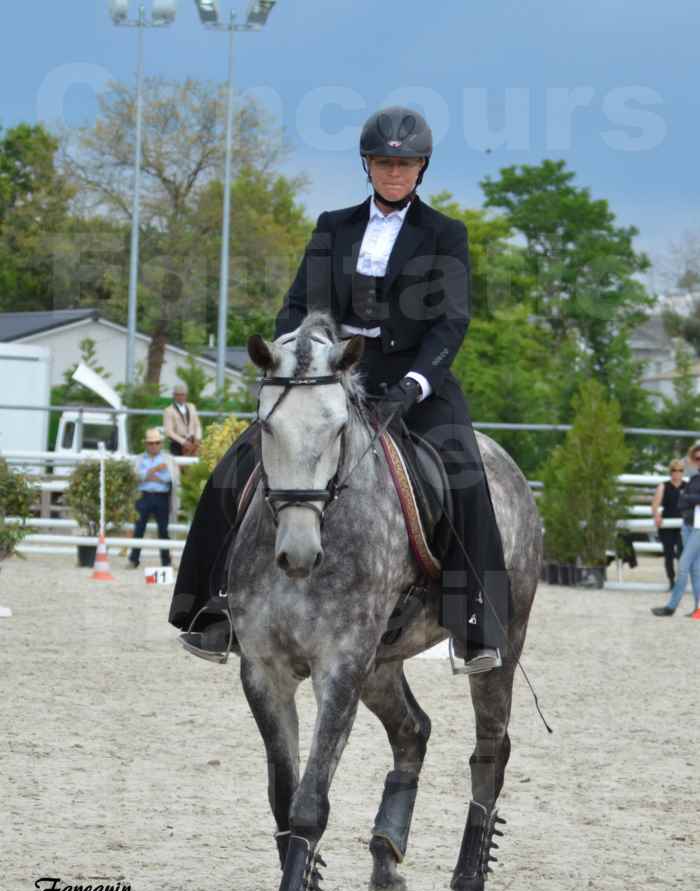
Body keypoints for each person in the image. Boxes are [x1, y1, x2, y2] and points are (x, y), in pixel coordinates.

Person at [170, 105, 510, 674]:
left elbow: (452, 321)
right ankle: (212, 608)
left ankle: (474, 625)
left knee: (465, 475)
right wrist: (302, 354)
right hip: (332, 374)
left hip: (414, 380)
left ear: (421, 169)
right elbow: (297, 305)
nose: (394, 172)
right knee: (239, 462)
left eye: (404, 164)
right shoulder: (334, 226)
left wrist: (414, 383)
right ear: (367, 166)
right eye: (383, 163)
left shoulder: (445, 234)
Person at [651, 441, 700, 618]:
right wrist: (688, 499)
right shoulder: (694, 479)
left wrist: (688, 498)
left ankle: (671, 607)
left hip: (698, 528)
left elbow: (687, 499)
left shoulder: (691, 481)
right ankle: (698, 608)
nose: (698, 461)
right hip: (688, 525)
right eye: (696, 458)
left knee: (684, 565)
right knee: (694, 569)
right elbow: (682, 502)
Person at [129, 428, 173, 570]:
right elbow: (137, 477)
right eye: (151, 443)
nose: (153, 445)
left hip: (161, 497)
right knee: (139, 528)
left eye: (156, 443)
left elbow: (170, 479)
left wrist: (149, 475)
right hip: (144, 496)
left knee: (163, 530)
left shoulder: (168, 459)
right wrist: (155, 471)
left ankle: (166, 562)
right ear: (146, 445)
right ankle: (134, 559)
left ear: (160, 444)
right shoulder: (139, 459)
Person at [650, 459, 686, 588]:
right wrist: (657, 516)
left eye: (680, 470)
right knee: (668, 553)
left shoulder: (687, 486)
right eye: (674, 470)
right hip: (667, 524)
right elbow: (655, 505)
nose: (677, 473)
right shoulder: (663, 486)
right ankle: (671, 581)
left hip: (684, 525)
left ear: (683, 472)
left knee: (683, 554)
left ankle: (682, 581)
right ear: (670, 472)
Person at [163, 382, 202, 457]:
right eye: (178, 395)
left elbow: (197, 425)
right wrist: (183, 442)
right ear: (174, 396)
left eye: (183, 395)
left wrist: (198, 438)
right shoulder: (169, 410)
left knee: (194, 465)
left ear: (186, 396)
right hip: (177, 443)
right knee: (178, 466)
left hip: (193, 442)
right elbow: (169, 431)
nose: (180, 397)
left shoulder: (192, 407)